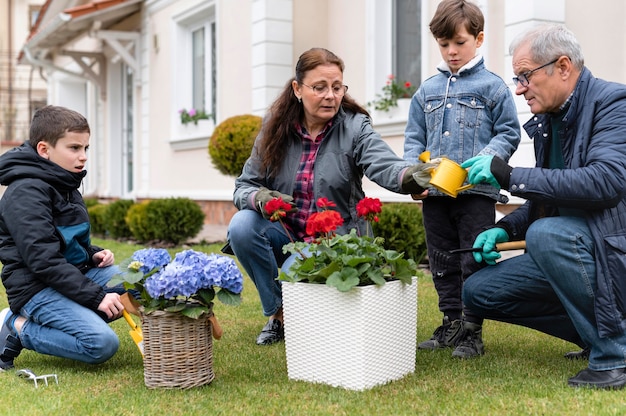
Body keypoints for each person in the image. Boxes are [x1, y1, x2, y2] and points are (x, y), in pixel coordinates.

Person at [461, 23, 626, 389]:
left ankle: (616, 353)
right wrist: (506, 228)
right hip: (575, 252)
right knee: (479, 291)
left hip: (613, 251)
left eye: (524, 76)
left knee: (549, 234)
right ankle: (594, 336)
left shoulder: (614, 103)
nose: (518, 89)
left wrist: (507, 174)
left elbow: (607, 182)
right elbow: (550, 194)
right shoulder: (551, 122)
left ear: (563, 67)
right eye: (516, 78)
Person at [225, 47, 428, 345]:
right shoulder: (274, 129)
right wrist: (261, 199)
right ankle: (279, 315)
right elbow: (243, 186)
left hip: (333, 240)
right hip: (286, 234)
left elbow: (383, 163)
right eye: (319, 88)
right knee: (242, 226)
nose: (330, 95)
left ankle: (300, 317)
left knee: (295, 270)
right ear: (297, 89)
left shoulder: (355, 127)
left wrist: (409, 178)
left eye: (337, 87)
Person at [403, 0, 520, 358]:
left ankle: (472, 329)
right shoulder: (426, 91)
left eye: (459, 42)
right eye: (443, 44)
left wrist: (484, 161)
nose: (451, 51)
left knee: (472, 257)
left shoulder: (494, 88)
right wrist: (414, 177)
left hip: (476, 193)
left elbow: (509, 133)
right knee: (442, 258)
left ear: (479, 38)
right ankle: (450, 321)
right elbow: (413, 139)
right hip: (435, 195)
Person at [0, 105, 125, 371]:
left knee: (141, 282)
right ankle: (16, 325)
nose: (83, 157)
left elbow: (64, 240)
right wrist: (95, 297)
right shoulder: (25, 193)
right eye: (74, 148)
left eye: (85, 148)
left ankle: (70, 316)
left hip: (70, 275)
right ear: (44, 150)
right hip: (36, 287)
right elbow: (43, 260)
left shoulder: (64, 181)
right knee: (101, 344)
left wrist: (93, 253)